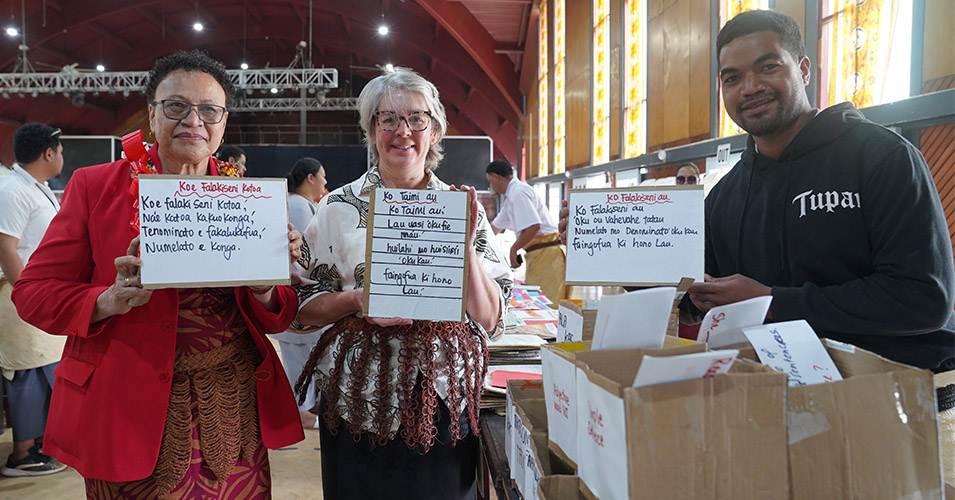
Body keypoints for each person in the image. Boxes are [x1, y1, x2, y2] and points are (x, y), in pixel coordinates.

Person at [557, 10, 954, 374]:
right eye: (732, 78)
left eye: (767, 67)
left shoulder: (881, 157)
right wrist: (605, 247)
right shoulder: (725, 196)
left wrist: (770, 301)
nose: (750, 87)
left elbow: (923, 299)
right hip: (775, 394)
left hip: (897, 394)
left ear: (803, 69)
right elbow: (692, 301)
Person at [12, 50, 305, 499]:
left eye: (209, 110)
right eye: (176, 106)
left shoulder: (246, 199)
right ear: (151, 113)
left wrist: (266, 286)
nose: (194, 120)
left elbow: (277, 317)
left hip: (231, 407)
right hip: (126, 404)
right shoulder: (95, 187)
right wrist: (106, 300)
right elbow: (32, 292)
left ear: (224, 122)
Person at [293, 67, 512, 500]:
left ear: (434, 131)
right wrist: (357, 299)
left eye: (416, 118)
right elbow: (301, 310)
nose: (403, 131)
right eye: (387, 118)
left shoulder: (463, 206)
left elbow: (492, 319)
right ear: (371, 130)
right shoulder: (338, 207)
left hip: (444, 399)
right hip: (359, 399)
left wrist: (464, 247)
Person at [0, 122, 68, 476]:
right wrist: (25, 293)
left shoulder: (35, 187)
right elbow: (5, 246)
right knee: (26, 372)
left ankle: (40, 443)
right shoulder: (12, 189)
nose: (62, 158)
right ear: (48, 153)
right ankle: (21, 455)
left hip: (40, 292)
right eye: (60, 152)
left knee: (46, 370)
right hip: (18, 296)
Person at [274, 156, 327, 428]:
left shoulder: (303, 204)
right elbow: (304, 257)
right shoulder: (298, 206)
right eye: (322, 176)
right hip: (297, 296)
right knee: (299, 358)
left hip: (301, 296)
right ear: (310, 178)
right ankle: (301, 411)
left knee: (304, 356)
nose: (325, 182)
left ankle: (305, 406)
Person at [485, 159, 565, 302]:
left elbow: (534, 226)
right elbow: (494, 228)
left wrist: (514, 249)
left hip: (547, 254)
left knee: (548, 302)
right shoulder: (511, 196)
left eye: (490, 181)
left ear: (497, 178)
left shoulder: (518, 193)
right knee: (537, 299)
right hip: (538, 255)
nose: (491, 186)